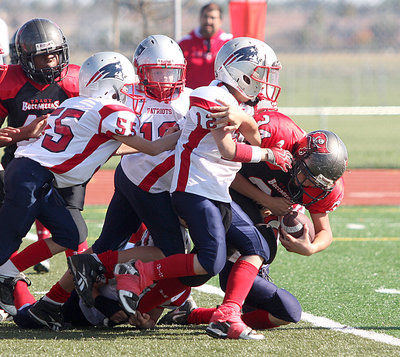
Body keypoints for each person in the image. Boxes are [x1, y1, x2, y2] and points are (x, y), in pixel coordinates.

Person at [69, 37, 293, 340]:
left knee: (245, 250)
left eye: (171, 72)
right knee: (189, 260)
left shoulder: (209, 99)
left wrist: (245, 119)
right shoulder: (198, 97)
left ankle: (218, 311)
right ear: (240, 72)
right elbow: (230, 150)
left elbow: (251, 136)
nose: (165, 80)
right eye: (259, 73)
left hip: (200, 188)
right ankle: (109, 290)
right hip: (168, 186)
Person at [25, 35, 193, 331]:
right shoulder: (127, 95)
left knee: (105, 243)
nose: (165, 80)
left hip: (141, 179)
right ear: (140, 71)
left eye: (171, 72)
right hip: (145, 183)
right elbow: (105, 133)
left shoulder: (189, 97)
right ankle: (146, 292)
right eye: (156, 72)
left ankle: (50, 302)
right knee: (175, 252)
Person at [0, 18, 88, 274]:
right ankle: (11, 289)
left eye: (55, 55)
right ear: (26, 59)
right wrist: (23, 133)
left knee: (75, 235)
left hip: (65, 171)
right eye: (44, 57)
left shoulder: (75, 81)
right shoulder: (10, 82)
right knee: (10, 236)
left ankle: (72, 300)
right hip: (21, 171)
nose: (52, 62)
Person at [178, 2, 232, 89]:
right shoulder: (185, 43)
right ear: (200, 18)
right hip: (191, 98)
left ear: (220, 21)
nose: (208, 21)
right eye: (205, 17)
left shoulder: (229, 44)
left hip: (219, 99)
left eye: (213, 18)